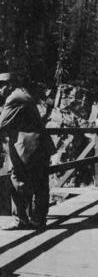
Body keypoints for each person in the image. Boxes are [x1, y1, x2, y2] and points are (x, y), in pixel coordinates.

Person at [0, 73, 56, 230]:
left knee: (19, 180)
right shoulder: (23, 93)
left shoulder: (14, 98)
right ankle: (37, 219)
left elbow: (1, 124)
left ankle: (22, 220)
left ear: (9, 85)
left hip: (29, 148)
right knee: (39, 184)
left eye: (0, 86)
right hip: (38, 146)